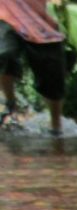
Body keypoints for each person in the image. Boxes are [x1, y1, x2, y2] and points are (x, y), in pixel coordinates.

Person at [0, 0, 67, 136]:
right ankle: (10, 101)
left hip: (41, 21)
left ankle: (56, 126)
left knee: (53, 76)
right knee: (4, 54)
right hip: (5, 15)